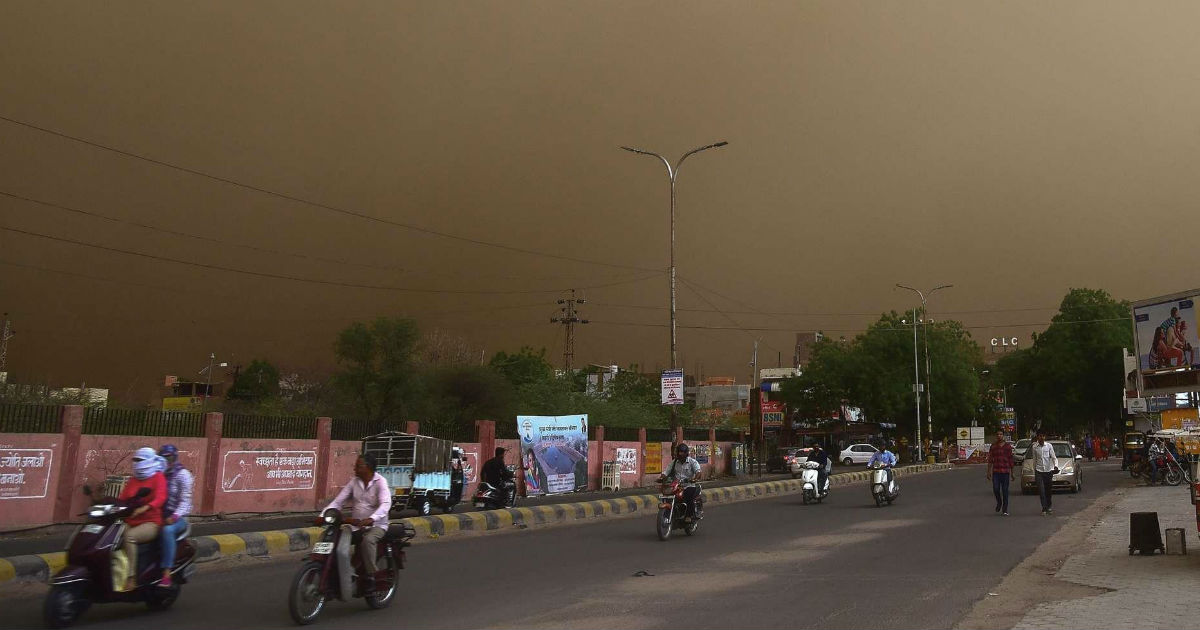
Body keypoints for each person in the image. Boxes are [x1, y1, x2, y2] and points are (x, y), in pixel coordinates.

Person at [324, 453, 390, 595]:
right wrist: (323, 515)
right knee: (337, 538)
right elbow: (338, 501)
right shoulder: (354, 482)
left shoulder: (381, 482)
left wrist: (372, 518)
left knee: (368, 541)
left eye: (358, 466)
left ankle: (371, 577)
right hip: (356, 525)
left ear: (369, 468)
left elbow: (385, 504)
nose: (355, 468)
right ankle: (341, 569)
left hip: (377, 526)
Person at [118, 447, 167, 591]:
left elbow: (160, 498)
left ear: (149, 461)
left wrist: (144, 508)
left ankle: (131, 578)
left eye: (139, 460)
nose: (136, 463)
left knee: (129, 537)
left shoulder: (158, 477)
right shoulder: (134, 479)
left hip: (151, 522)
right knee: (111, 534)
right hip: (131, 520)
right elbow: (123, 498)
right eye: (135, 460)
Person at [156, 444, 192, 588]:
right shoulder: (158, 474)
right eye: (163, 458)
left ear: (174, 458)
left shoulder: (183, 475)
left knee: (167, 531)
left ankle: (166, 572)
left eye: (169, 458)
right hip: (159, 515)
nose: (166, 461)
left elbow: (185, 501)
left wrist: (174, 516)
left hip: (178, 518)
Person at [662, 443, 702, 521]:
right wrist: (661, 477)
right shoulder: (674, 462)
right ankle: (671, 513)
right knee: (667, 496)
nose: (680, 454)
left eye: (682, 452)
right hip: (677, 486)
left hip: (689, 485)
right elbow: (666, 472)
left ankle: (688, 516)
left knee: (688, 496)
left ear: (686, 453)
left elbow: (698, 472)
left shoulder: (692, 462)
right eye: (679, 452)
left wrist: (695, 479)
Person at [1030, 432, 1060, 515]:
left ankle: (1049, 506)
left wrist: (1056, 466)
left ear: (1045, 437)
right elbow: (1034, 460)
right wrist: (1034, 471)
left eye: (1043, 436)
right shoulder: (1034, 447)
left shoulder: (1049, 446)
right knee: (1041, 491)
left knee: (1048, 491)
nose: (1041, 438)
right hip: (1039, 471)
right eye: (1040, 436)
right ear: (1038, 437)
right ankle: (1044, 508)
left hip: (1048, 471)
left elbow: (1054, 458)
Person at [986, 431, 1014, 516]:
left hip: (1005, 472)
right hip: (996, 472)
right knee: (996, 489)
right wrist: (988, 471)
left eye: (1001, 434)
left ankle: (1005, 509)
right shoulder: (993, 446)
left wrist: (1012, 473)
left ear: (1003, 436)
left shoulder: (1007, 446)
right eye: (997, 434)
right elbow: (990, 459)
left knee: (1005, 491)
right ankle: (999, 502)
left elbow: (1010, 459)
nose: (999, 436)